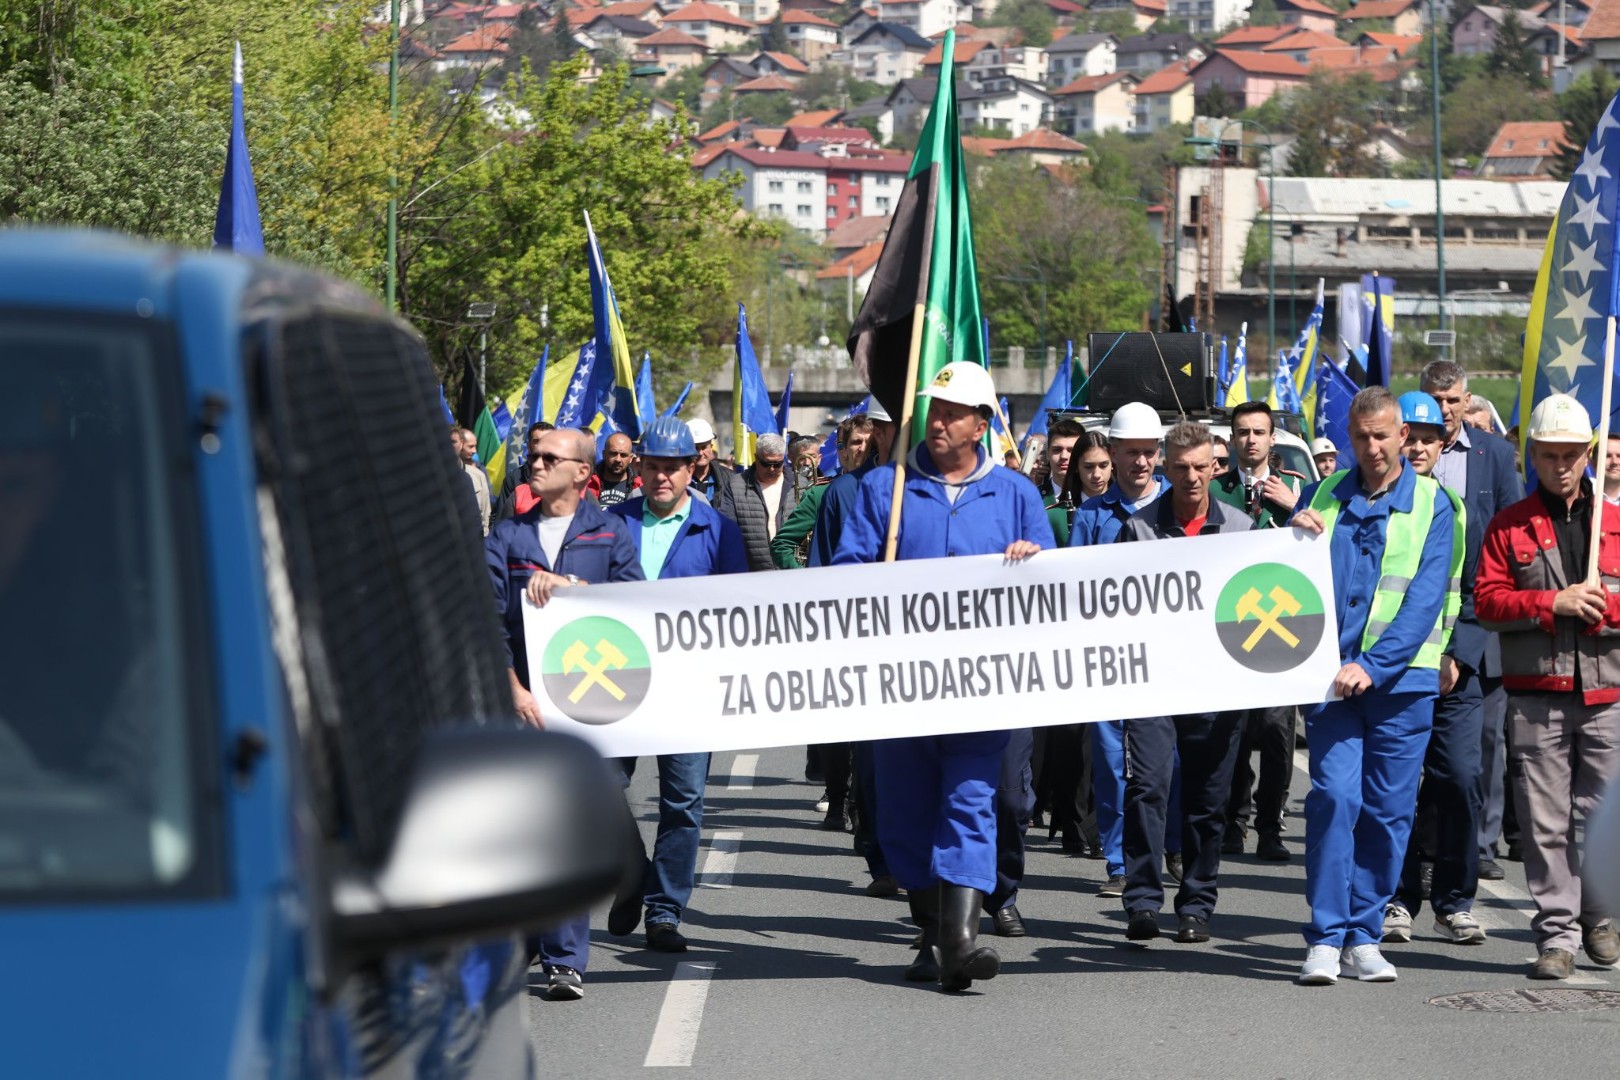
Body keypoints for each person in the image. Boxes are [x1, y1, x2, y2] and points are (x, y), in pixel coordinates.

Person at [833, 361, 1054, 993]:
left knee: (970, 804)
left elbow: (1057, 587)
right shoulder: (888, 488)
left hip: (985, 688)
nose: (938, 421)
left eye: (953, 413)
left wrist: (1033, 561)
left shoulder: (1016, 495)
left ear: (982, 424)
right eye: (933, 410)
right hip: (900, 688)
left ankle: (960, 942)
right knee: (903, 815)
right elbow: (844, 576)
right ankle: (931, 934)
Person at [1288, 386, 1460, 985]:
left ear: (1403, 437)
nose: (1372, 447)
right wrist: (1294, 528)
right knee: (1334, 800)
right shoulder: (1325, 493)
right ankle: (1325, 938)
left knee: (1388, 813)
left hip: (1400, 683)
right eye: (1361, 437)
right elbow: (1294, 576)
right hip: (1329, 679)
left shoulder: (1437, 505)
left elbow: (1421, 601)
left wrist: (1376, 665)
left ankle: (1364, 935)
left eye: (1382, 436)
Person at [484, 426, 643, 1000]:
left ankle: (564, 957)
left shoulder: (611, 532)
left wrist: (573, 586)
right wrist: (514, 689)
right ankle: (532, 938)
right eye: (534, 455)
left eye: (550, 457)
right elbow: (489, 622)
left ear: (582, 472)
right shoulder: (506, 537)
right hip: (525, 711)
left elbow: (635, 608)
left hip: (590, 709)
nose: (536, 462)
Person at [1475, 393, 1620, 980]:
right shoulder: (1509, 525)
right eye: (1548, 454)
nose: (1561, 466)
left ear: (1589, 454)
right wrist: (1549, 602)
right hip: (1537, 694)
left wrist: (1606, 608)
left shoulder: (1615, 520)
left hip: (1608, 694)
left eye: (1571, 455)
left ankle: (1602, 916)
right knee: (1545, 823)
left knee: (1604, 817)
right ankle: (1556, 936)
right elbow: (1485, 601)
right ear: (1529, 454)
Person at [605, 417, 749, 955]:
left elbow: (736, 612)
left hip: (689, 690)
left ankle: (664, 911)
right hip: (616, 683)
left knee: (682, 805)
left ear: (694, 468)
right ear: (639, 467)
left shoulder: (718, 531)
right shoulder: (610, 524)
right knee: (597, 785)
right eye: (654, 467)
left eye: (674, 467)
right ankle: (631, 871)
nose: (662, 477)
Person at [1117, 420, 1253, 944]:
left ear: (1216, 466)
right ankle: (1143, 901)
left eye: (1202, 467)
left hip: (1218, 688)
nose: (1192, 478)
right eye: (1181, 468)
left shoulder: (1242, 527)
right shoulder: (1138, 527)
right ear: (1164, 467)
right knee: (1148, 787)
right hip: (1153, 681)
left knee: (1207, 800)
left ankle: (1196, 903)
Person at [1383, 392, 1489, 948]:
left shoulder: (1454, 508)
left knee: (1461, 779)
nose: (1420, 445)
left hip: (1452, 674)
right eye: (1411, 435)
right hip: (1393, 677)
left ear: (1442, 442)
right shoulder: (1375, 503)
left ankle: (1455, 902)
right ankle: (1397, 899)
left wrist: (1455, 654)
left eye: (1430, 436)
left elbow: (1474, 591)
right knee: (1397, 790)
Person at [1415, 361, 1524, 887]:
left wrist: (1465, 643)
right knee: (1418, 760)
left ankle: (1474, 847)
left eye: (1452, 400)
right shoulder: (1402, 453)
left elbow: (1511, 543)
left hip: (1481, 631)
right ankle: (1424, 858)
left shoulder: (1496, 457)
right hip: (1410, 630)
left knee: (1478, 752)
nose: (1444, 411)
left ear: (1466, 398)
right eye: (1434, 400)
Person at [1071, 401, 1177, 898]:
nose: (1140, 462)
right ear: (1112, 452)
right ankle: (1119, 861)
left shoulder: (1179, 504)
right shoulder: (1092, 515)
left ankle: (1164, 849)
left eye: (1148, 452)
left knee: (1165, 759)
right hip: (1107, 658)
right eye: (1130, 452)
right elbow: (1071, 582)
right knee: (1113, 763)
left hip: (1166, 657)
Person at [1213, 402, 1300, 863]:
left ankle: (1270, 825)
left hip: (1282, 628)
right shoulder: (1214, 490)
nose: (1250, 440)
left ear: (1272, 439)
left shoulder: (1298, 490)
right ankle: (1233, 821)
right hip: (1230, 627)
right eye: (1242, 432)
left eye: (1259, 432)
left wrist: (1295, 506)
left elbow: (1326, 538)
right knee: (1234, 733)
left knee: (1275, 732)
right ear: (1231, 439)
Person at [732, 432, 799, 572]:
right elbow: (728, 534)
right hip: (753, 575)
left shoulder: (801, 484)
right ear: (756, 458)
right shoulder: (735, 486)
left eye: (777, 464)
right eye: (766, 464)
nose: (772, 469)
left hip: (794, 573)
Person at [494, 421, 553, 522]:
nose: (542, 444)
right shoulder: (514, 478)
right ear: (529, 445)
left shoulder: (568, 477)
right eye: (536, 441)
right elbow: (499, 520)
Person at [687, 417, 739, 516]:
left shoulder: (730, 479)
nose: (700, 453)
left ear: (711, 446)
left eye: (703, 447)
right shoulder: (678, 479)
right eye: (695, 448)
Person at [586, 431, 641, 506]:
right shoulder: (586, 484)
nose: (618, 459)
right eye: (613, 453)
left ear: (631, 458)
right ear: (604, 454)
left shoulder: (641, 487)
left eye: (623, 455)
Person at [455, 427, 492, 535]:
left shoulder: (479, 473)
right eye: (470, 446)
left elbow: (486, 513)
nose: (474, 451)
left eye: (475, 446)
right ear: (460, 445)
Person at [1039, 418, 1085, 501]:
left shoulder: (1095, 498)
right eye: (1057, 450)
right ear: (1048, 454)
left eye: (1071, 450)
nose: (1064, 456)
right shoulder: (1033, 498)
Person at [1605, 432, 1620, 508]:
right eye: (1608, 456)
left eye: (1619, 456)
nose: (1614, 461)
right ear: (1594, 463)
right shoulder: (1584, 498)